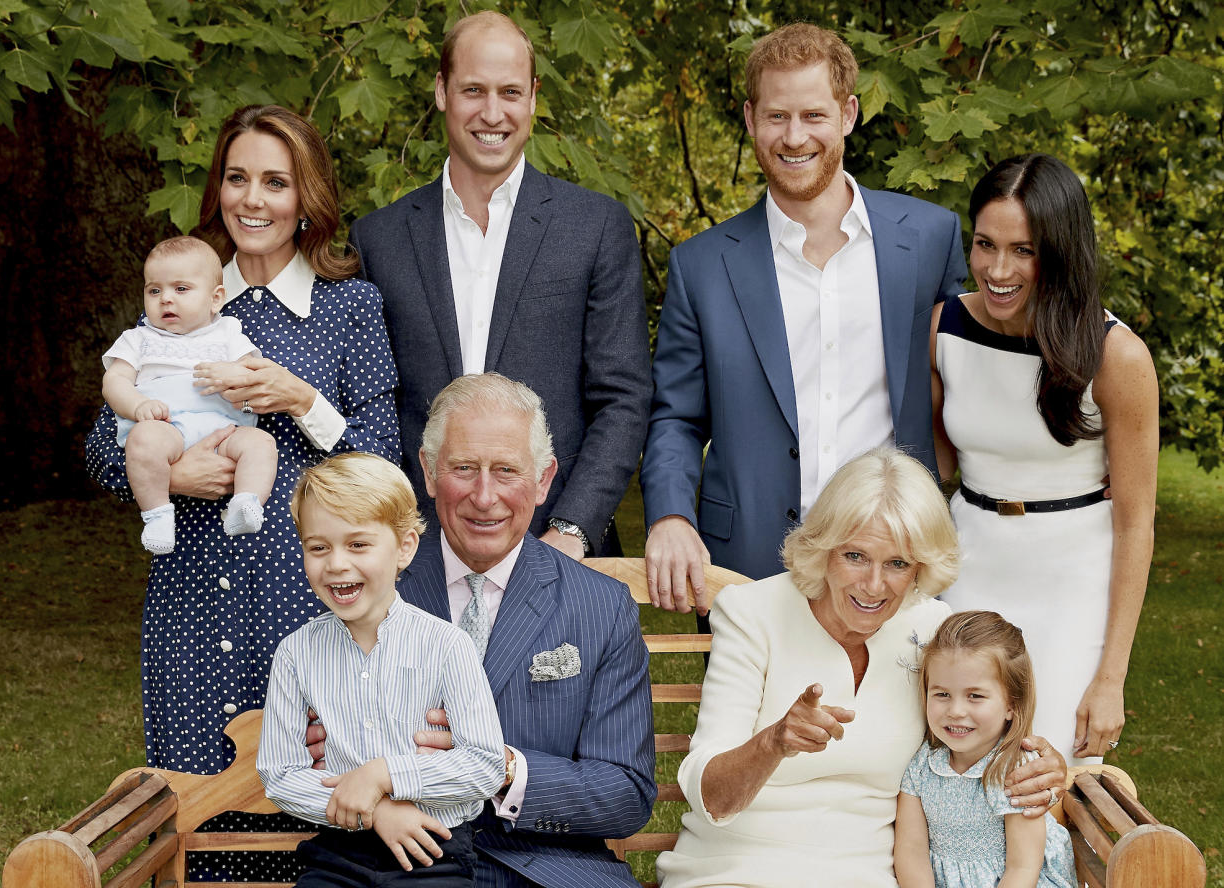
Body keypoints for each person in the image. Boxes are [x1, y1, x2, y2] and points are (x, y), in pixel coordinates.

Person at [84, 104, 401, 782]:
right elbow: (101, 450)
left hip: (307, 592)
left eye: (276, 182)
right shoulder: (179, 297)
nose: (252, 199)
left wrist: (304, 400)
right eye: (236, 178)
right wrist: (171, 477)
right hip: (191, 590)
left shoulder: (351, 308)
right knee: (196, 795)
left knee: (316, 790)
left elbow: (384, 457)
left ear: (307, 198)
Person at [641, 22, 967, 612]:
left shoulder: (928, 239)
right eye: (776, 116)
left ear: (848, 114)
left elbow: (967, 380)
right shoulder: (702, 265)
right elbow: (677, 418)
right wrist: (668, 514)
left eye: (814, 115)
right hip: (747, 564)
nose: (794, 137)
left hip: (897, 563)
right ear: (749, 118)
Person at [655, 448, 1067, 888]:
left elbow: (984, 741)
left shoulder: (932, 630)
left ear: (920, 568)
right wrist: (774, 742)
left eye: (897, 563)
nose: (874, 586)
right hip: (734, 868)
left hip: (867, 874)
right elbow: (711, 798)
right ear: (825, 547)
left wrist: (1046, 767)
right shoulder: (752, 613)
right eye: (855, 556)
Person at [310, 373, 656, 888]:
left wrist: (503, 769)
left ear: (543, 480)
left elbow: (626, 794)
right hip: (391, 861)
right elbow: (316, 740)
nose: (484, 495)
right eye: (464, 468)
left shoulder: (600, 607)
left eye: (507, 471)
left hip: (545, 868)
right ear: (428, 472)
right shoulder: (365, 583)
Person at [349, 11, 651, 560]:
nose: (493, 113)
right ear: (442, 91)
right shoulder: (378, 239)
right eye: (473, 90)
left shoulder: (595, 227)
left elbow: (623, 398)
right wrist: (397, 529)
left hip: (558, 547)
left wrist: (572, 529)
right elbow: (372, 405)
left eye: (510, 91)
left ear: (533, 97)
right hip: (418, 554)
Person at [931, 153, 1158, 763]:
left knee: (1045, 777)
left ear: (1059, 251)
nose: (997, 270)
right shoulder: (944, 329)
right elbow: (936, 469)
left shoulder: (1116, 356)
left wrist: (1110, 678)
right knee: (953, 766)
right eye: (984, 244)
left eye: (1023, 250)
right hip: (968, 569)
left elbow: (1136, 522)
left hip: (1072, 583)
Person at [258, 453, 505, 886]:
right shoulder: (296, 653)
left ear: (404, 548)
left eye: (357, 544)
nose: (335, 563)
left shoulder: (446, 645)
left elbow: (484, 764)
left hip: (434, 849)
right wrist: (374, 811)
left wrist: (384, 774)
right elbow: (281, 775)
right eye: (318, 547)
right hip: (339, 849)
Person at [102, 236, 277, 554]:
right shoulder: (139, 339)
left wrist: (235, 374)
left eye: (180, 289)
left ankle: (247, 502)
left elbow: (254, 374)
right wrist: (138, 405)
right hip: (165, 427)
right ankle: (157, 514)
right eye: (154, 290)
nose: (166, 299)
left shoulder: (228, 334)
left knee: (261, 444)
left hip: (224, 430)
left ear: (215, 299)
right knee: (143, 442)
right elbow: (114, 382)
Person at [894, 610, 1076, 888]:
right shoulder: (922, 767)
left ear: (1011, 704)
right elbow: (911, 851)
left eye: (975, 696)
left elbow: (1023, 866)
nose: (955, 711)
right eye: (942, 694)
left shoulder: (1015, 771)